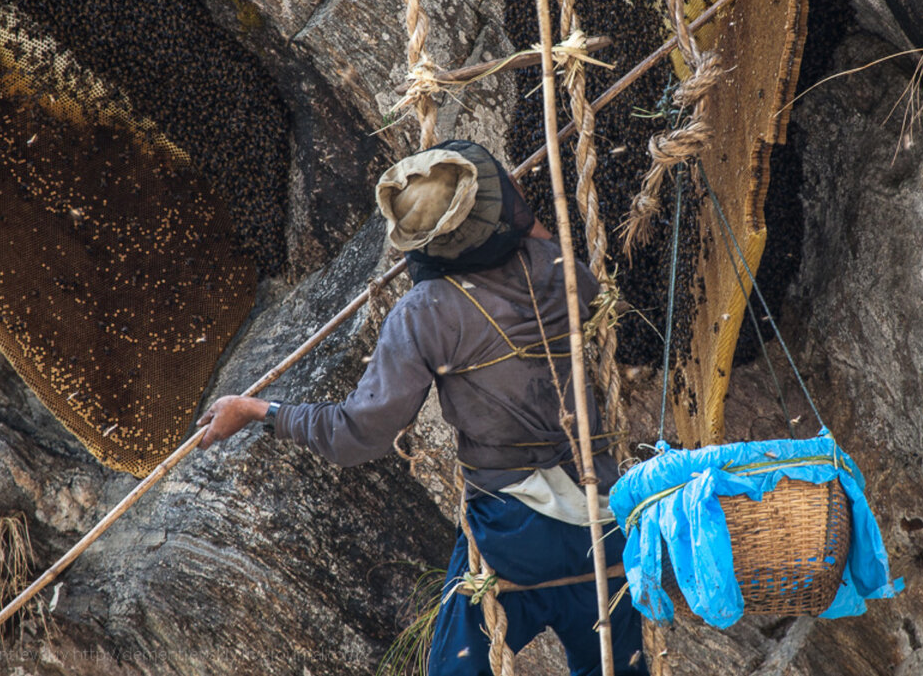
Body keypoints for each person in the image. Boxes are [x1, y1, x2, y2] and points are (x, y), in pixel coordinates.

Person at [198, 139, 647, 676]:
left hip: (513, 536)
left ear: (426, 247)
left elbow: (356, 434)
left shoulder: (426, 312)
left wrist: (256, 410)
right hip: (603, 517)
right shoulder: (563, 268)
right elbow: (531, 235)